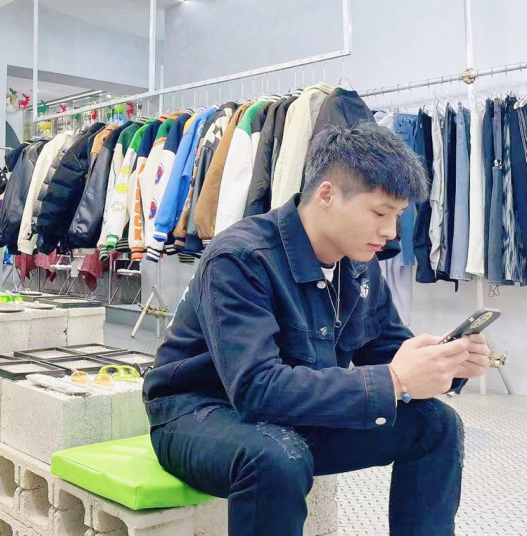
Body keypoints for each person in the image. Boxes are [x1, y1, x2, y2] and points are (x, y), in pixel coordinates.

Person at [142, 122, 490, 536]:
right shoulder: (240, 258)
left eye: (398, 216)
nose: (390, 232)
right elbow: (256, 390)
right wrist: (395, 381)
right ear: (326, 195)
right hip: (198, 413)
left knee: (436, 425)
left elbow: (389, 352)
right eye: (380, 213)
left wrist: (447, 364)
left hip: (294, 413)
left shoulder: (359, 265)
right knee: (276, 458)